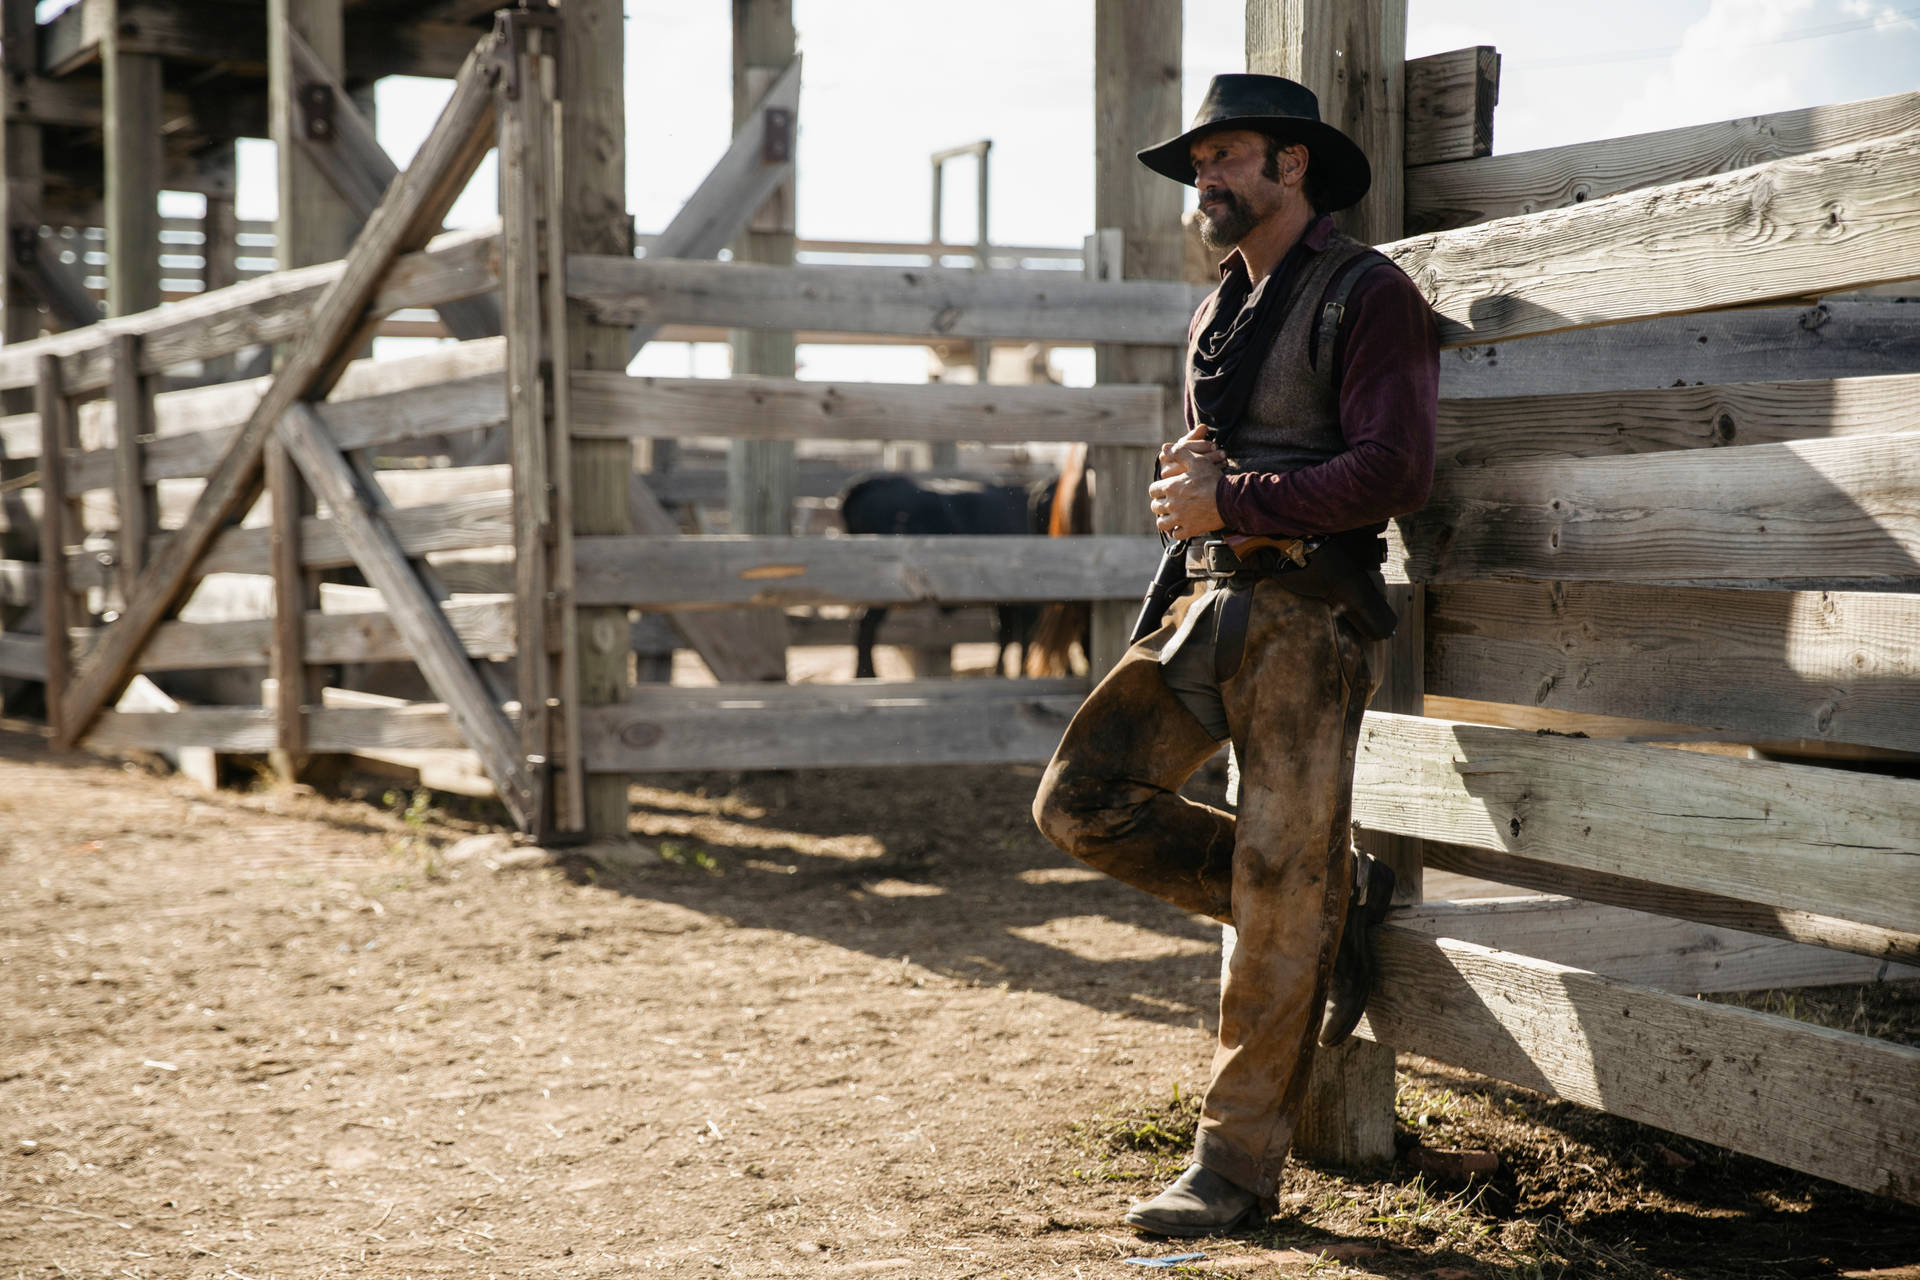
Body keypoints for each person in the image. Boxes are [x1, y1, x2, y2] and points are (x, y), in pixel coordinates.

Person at [1030, 73, 1438, 1237]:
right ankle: (1320, 902)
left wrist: (1238, 496)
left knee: (1274, 882)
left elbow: (1397, 470)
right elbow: (1192, 497)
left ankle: (1235, 1170)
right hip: (1209, 609)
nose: (1203, 178)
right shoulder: (1216, 313)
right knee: (1080, 799)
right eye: (1198, 162)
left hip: (1310, 620)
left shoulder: (1370, 294)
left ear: (1292, 165)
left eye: (1225, 157)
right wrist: (1158, 607)